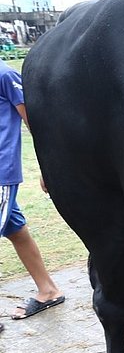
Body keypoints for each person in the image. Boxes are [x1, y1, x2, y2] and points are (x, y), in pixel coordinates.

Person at [0, 60, 64, 328]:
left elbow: (34, 123)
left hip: (1, 173)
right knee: (16, 231)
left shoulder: (5, 75)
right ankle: (48, 290)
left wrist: (47, 167)